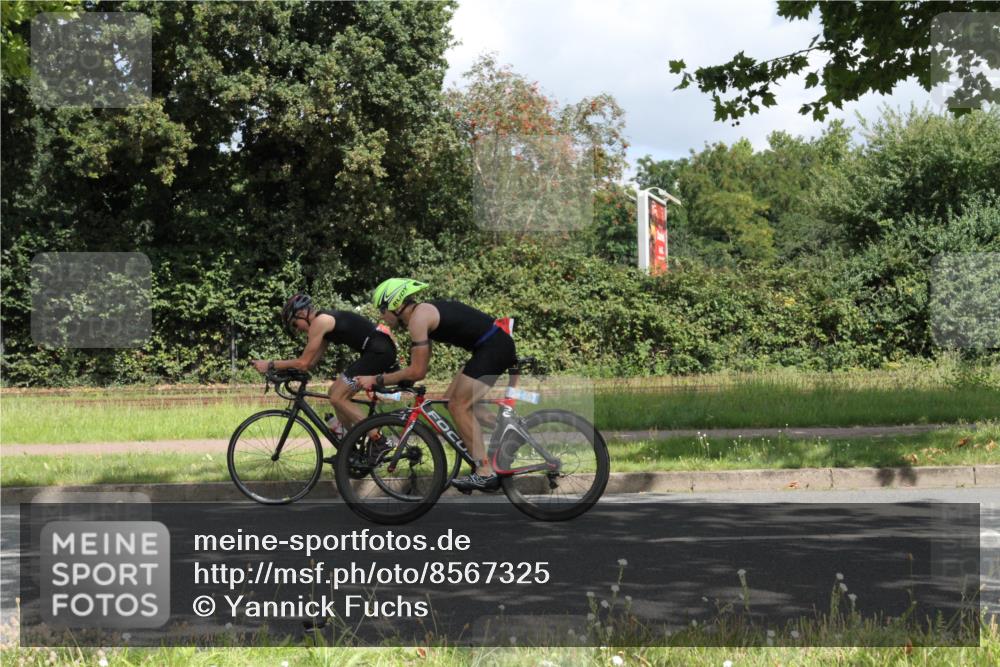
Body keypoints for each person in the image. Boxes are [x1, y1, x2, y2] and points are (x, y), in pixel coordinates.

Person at [355, 278, 517, 492]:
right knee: (451, 401)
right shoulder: (422, 314)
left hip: (493, 348)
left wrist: (376, 379)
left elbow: (417, 371)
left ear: (395, 304)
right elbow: (420, 367)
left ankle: (484, 472)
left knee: (459, 406)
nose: (381, 316)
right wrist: (402, 381)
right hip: (488, 347)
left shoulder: (418, 319)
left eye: (382, 309)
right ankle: (509, 431)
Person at [251, 293, 398, 462]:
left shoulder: (320, 322)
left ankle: (380, 441)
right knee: (333, 392)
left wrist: (271, 364)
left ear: (302, 313)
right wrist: (286, 372)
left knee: (338, 397)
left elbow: (303, 362)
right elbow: (310, 363)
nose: (297, 329)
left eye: (295, 324)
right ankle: (349, 447)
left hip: (379, 352)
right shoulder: (324, 326)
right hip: (376, 351)